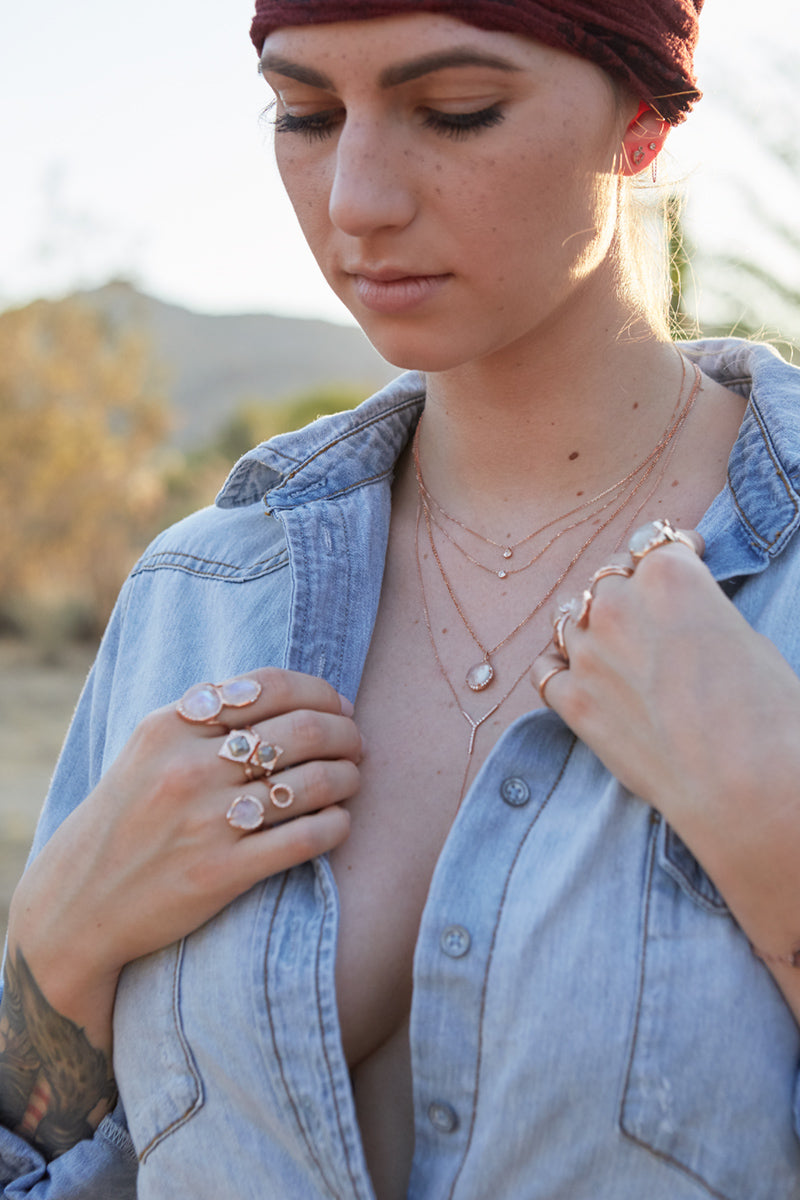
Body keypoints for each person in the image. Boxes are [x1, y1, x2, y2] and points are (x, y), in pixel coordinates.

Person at [1, 0, 800, 1196]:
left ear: (640, 119)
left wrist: (773, 819)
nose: (355, 200)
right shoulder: (200, 592)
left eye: (455, 112)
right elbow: (38, 1149)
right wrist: (54, 946)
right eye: (305, 114)